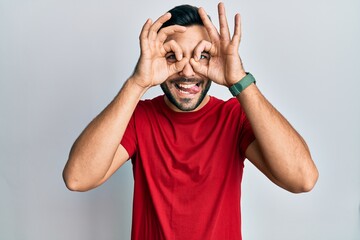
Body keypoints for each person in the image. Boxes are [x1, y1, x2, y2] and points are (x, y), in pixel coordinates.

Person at [63, 3, 319, 240]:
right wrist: (137, 83)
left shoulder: (234, 117)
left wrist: (239, 80)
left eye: (201, 56)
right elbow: (77, 178)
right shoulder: (139, 117)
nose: (187, 71)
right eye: (173, 56)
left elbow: (302, 179)